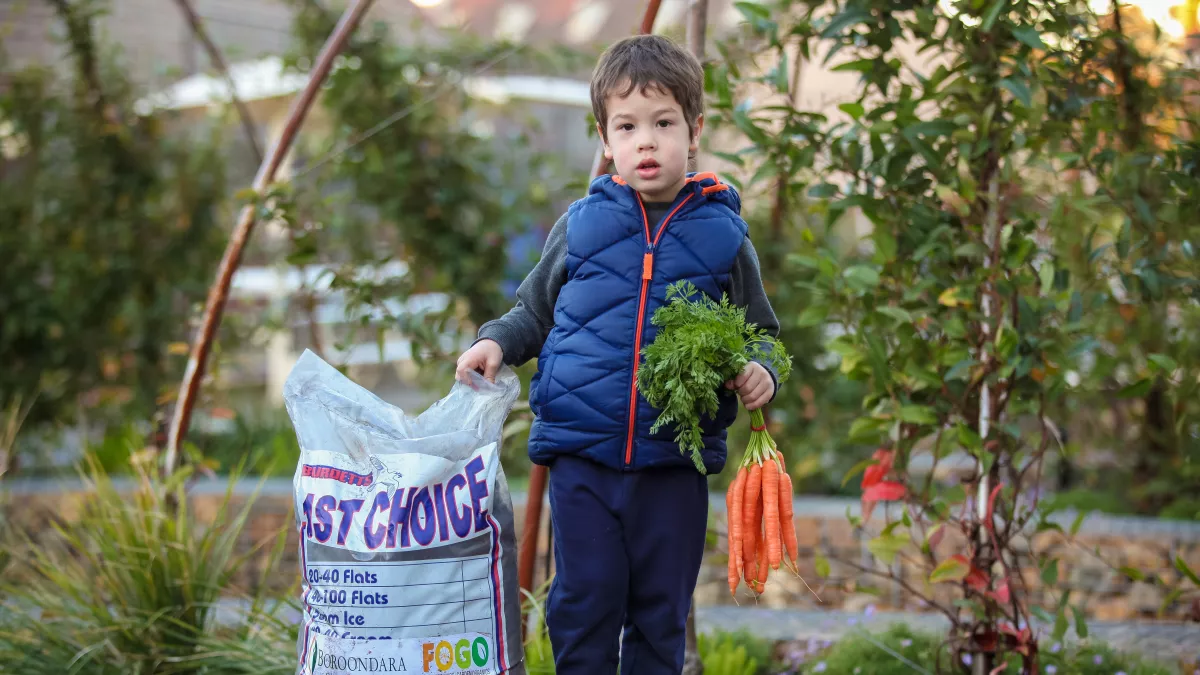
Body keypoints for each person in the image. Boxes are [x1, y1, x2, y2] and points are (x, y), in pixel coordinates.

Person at [455, 34, 781, 675]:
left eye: (664, 123)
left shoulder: (723, 234)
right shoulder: (582, 223)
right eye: (627, 126)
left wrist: (761, 368)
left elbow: (761, 330)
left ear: (695, 129)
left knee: (661, 610)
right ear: (606, 139)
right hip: (583, 459)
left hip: (674, 461)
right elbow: (534, 311)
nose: (647, 142)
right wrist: (494, 342)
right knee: (584, 601)